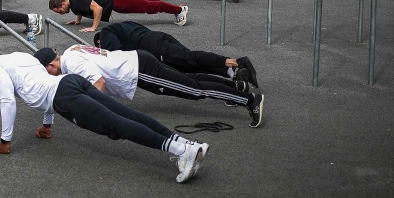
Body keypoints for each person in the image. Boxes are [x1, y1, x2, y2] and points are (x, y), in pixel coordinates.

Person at [0, 44, 208, 183]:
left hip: (64, 96)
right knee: (125, 113)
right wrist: (47, 125)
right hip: (70, 82)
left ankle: (182, 151)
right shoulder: (19, 55)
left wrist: (5, 140)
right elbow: (43, 85)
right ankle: (186, 143)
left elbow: (7, 101)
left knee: (117, 125)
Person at [45, 44, 265, 128]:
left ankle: (250, 100)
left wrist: (93, 111)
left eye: (46, 71)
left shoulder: (72, 63)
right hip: (138, 62)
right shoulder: (71, 50)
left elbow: (98, 83)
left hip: (140, 71)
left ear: (51, 63)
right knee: (190, 82)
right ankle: (237, 91)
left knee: (194, 89)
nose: (49, 76)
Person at [95, 21, 259, 87]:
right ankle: (232, 73)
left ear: (99, 43)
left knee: (190, 59)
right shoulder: (123, 26)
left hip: (152, 46)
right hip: (158, 37)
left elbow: (118, 53)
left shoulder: (105, 34)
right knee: (190, 64)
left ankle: (237, 62)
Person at [48, 0, 188, 33]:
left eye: (59, 11)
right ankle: (175, 7)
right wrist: (78, 20)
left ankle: (179, 10)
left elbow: (98, 8)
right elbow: (82, 6)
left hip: (117, 0)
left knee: (148, 7)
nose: (61, 13)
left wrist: (93, 27)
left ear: (62, 4)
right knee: (147, 4)